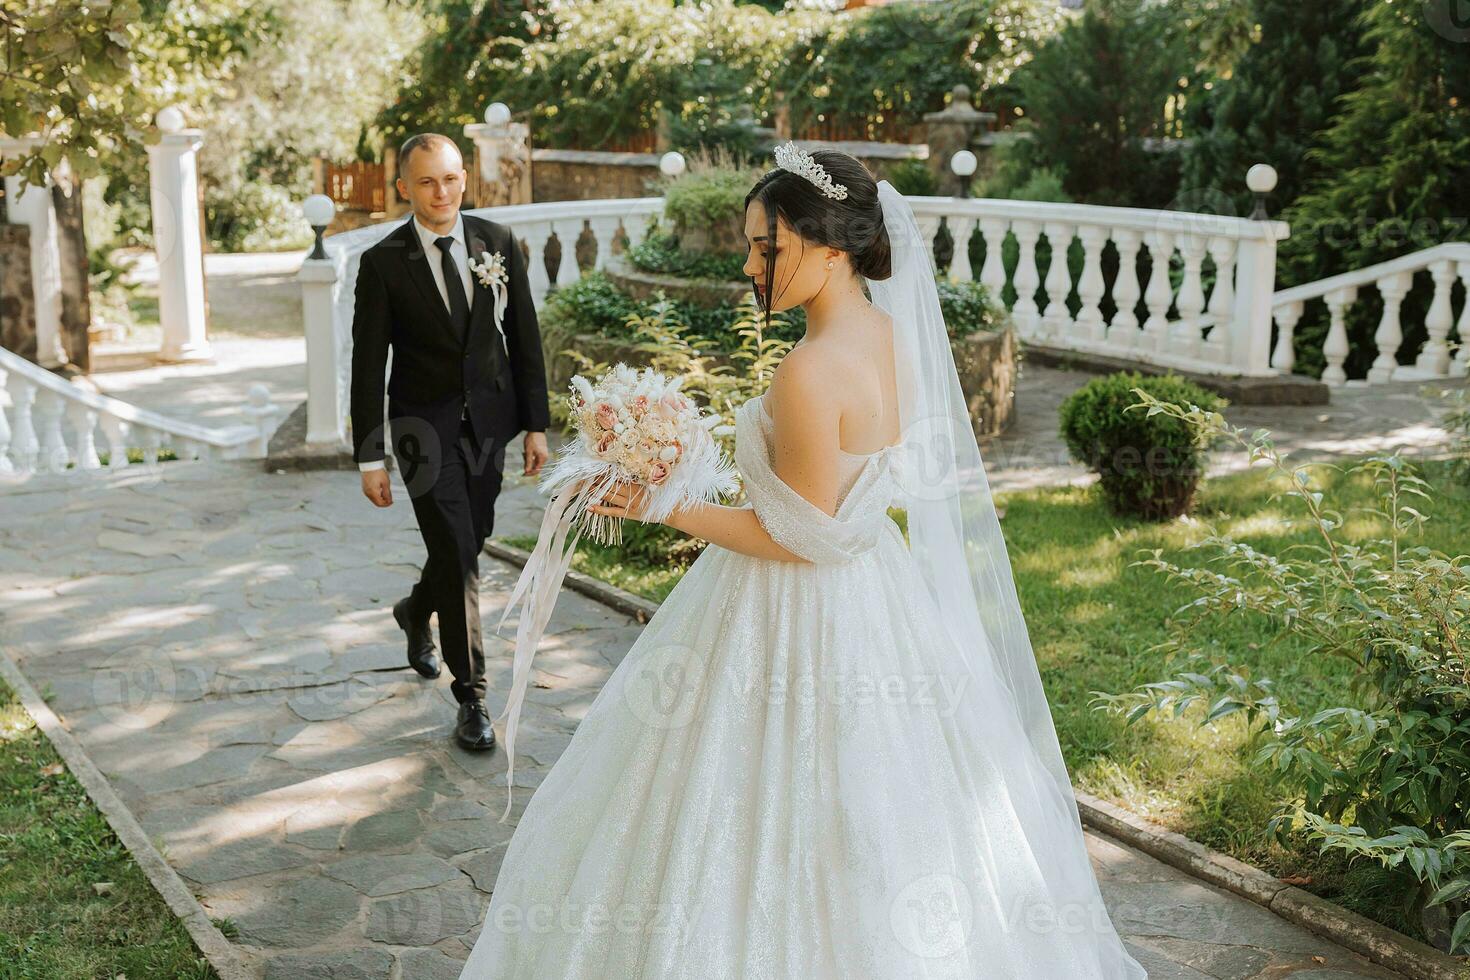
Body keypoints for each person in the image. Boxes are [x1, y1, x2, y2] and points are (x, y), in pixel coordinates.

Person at [457, 144, 1148, 978]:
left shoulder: (809, 371)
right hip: (880, 597)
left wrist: (661, 501)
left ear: (831, 246)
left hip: (794, 613)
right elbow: (836, 501)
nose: (750, 264)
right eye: (750, 246)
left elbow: (802, 536)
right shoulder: (898, 341)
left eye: (767, 246)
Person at [350, 132, 551, 753]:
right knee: (461, 557)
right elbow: (367, 365)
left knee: (468, 542)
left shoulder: (497, 242)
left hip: (490, 424)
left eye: (452, 178)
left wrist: (536, 423)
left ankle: (416, 609)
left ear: (466, 179)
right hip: (419, 433)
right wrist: (368, 455)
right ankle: (474, 696)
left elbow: (524, 336)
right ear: (405, 188)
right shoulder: (383, 263)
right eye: (428, 181)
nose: (442, 192)